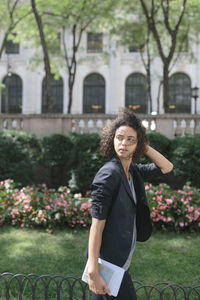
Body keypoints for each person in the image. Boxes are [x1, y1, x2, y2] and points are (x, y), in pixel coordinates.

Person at [87, 109, 173, 300]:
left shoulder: (132, 170)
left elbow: (166, 167)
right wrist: (93, 270)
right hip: (108, 263)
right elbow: (97, 225)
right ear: (112, 139)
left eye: (130, 140)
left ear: (138, 144)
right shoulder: (109, 174)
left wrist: (145, 147)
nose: (123, 143)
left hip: (120, 259)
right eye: (119, 137)